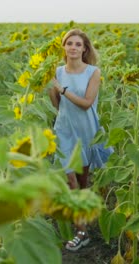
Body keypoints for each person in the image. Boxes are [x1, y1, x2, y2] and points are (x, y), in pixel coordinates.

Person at [48, 28, 112, 251]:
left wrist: (62, 89)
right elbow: (57, 106)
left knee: (83, 183)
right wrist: (51, 87)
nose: (73, 47)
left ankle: (82, 224)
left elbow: (86, 103)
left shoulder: (93, 72)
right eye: (69, 43)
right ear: (64, 47)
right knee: (71, 181)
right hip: (64, 130)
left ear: (85, 49)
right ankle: (81, 232)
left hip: (85, 131)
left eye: (78, 44)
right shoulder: (57, 71)